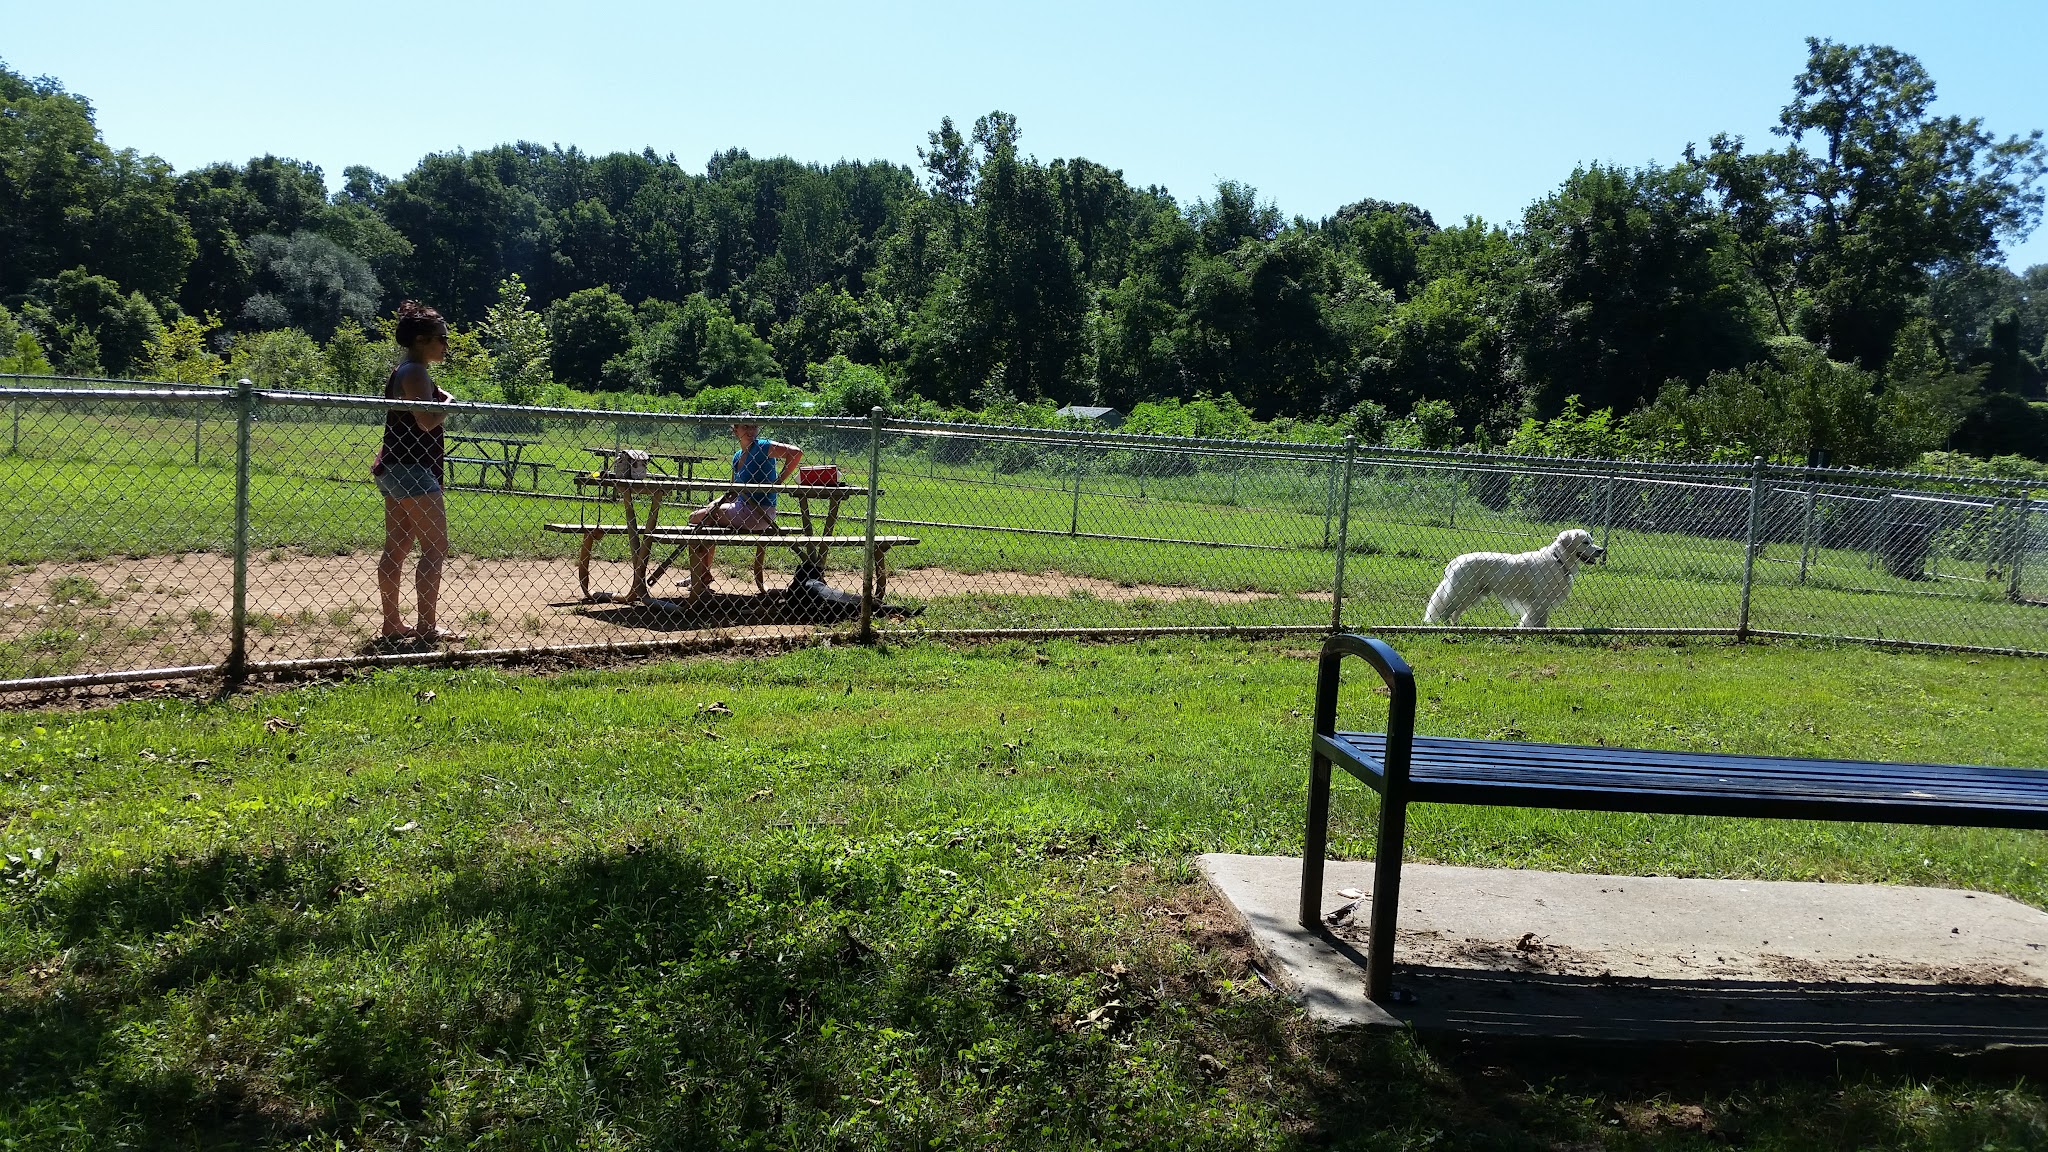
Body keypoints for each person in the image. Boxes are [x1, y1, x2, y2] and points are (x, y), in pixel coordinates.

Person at [372, 300, 462, 647]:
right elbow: (427, 422)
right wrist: (449, 404)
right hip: (411, 470)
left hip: (395, 467)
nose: (445, 345)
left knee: (397, 547)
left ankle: (392, 624)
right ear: (422, 340)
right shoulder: (415, 372)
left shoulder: (405, 370)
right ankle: (426, 628)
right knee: (435, 548)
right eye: (441, 338)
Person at [685, 421, 802, 598]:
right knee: (703, 516)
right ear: (735, 430)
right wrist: (714, 504)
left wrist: (778, 482)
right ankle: (703, 573)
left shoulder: (762, 446)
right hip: (741, 508)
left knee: (696, 518)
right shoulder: (737, 456)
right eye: (745, 427)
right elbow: (733, 492)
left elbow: (795, 453)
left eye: (754, 426)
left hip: (760, 512)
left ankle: (700, 575)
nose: (750, 430)